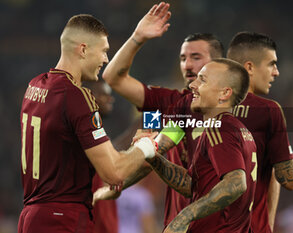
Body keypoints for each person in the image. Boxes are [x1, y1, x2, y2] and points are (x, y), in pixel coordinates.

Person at [18, 14, 157, 233]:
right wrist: (148, 146)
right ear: (83, 49)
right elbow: (113, 172)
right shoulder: (76, 96)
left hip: (31, 217)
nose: (106, 59)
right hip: (63, 219)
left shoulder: (34, 86)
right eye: (103, 51)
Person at [100, 2, 224, 227]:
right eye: (183, 58)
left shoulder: (238, 112)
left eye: (196, 57)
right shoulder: (165, 104)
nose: (187, 65)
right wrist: (138, 37)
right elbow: (113, 78)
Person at [147, 58, 257, 233]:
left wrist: (184, 216)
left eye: (203, 80)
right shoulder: (236, 130)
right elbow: (191, 185)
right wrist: (153, 157)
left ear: (224, 93)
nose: (193, 85)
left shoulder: (219, 127)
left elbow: (236, 183)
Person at [226, 31, 293, 232]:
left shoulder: (195, 106)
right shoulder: (268, 111)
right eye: (271, 64)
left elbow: (155, 111)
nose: (276, 72)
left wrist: (147, 131)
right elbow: (290, 180)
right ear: (249, 67)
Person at [84, 79, 118, 233]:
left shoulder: (97, 130)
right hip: (91, 223)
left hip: (102, 222)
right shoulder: (84, 131)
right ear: (90, 97)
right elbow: (114, 154)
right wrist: (148, 118)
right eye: (104, 95)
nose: (110, 99)